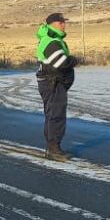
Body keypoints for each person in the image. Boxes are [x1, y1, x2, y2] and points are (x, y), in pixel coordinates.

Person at [35, 13, 78, 161]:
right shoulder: (51, 41)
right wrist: (73, 60)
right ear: (52, 24)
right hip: (52, 83)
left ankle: (52, 147)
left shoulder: (52, 39)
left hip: (52, 83)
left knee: (52, 115)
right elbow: (61, 63)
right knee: (56, 116)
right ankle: (54, 149)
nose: (63, 24)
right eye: (60, 22)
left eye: (64, 22)